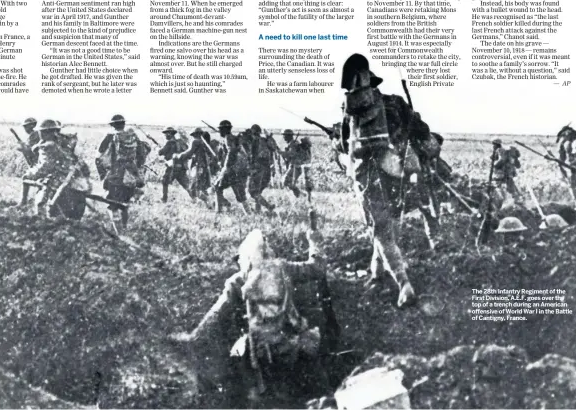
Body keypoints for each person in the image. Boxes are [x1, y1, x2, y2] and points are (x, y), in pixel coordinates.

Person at [169, 213, 340, 400]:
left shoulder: (237, 281)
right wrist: (314, 242)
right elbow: (317, 268)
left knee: (240, 375)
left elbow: (216, 315)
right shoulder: (283, 268)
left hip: (256, 352)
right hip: (292, 346)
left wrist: (193, 338)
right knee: (319, 379)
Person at [340, 53, 442, 308]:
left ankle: (403, 284)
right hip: (396, 171)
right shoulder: (396, 103)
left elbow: (344, 143)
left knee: (381, 230)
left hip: (369, 173)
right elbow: (423, 131)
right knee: (390, 224)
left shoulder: (351, 110)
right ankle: (376, 273)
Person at [23, 119, 86, 217]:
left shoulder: (47, 147)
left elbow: (45, 167)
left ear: (43, 132)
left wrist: (29, 174)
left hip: (58, 182)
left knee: (40, 204)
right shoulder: (66, 142)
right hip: (76, 181)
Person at [97, 114, 146, 231]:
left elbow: (98, 157)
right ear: (123, 124)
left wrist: (102, 174)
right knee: (124, 204)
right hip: (131, 174)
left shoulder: (109, 136)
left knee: (112, 205)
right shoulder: (133, 136)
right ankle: (124, 228)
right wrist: (137, 171)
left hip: (116, 175)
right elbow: (142, 155)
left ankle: (119, 233)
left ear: (112, 125)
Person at [214, 120, 251, 214]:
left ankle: (218, 212)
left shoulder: (228, 138)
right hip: (237, 169)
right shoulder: (234, 138)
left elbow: (231, 152)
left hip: (231, 169)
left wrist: (225, 168)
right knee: (240, 194)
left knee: (217, 187)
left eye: (221, 129)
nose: (220, 132)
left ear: (225, 129)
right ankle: (249, 213)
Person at [175, 127, 216, 208]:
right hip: (205, 167)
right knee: (203, 188)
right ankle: (209, 206)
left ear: (195, 134)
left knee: (194, 188)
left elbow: (189, 152)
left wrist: (178, 156)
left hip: (198, 167)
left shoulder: (195, 141)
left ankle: (211, 202)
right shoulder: (204, 143)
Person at [247, 124, 278, 213]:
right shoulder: (265, 140)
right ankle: (258, 210)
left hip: (258, 167)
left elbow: (251, 155)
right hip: (267, 167)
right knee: (258, 191)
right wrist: (269, 137)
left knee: (253, 191)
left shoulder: (254, 141)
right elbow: (274, 148)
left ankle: (268, 206)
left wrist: (250, 168)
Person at [158, 126, 193, 202]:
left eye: (166, 133)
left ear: (170, 133)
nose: (165, 135)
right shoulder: (181, 142)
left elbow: (161, 152)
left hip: (172, 167)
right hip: (182, 167)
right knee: (186, 184)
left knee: (164, 181)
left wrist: (158, 149)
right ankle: (195, 198)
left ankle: (164, 199)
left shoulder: (169, 142)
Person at [279, 129, 314, 199]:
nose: (284, 137)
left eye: (285, 136)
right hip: (295, 166)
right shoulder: (292, 143)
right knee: (287, 182)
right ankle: (301, 195)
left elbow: (291, 154)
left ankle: (301, 195)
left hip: (297, 166)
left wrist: (281, 152)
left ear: (289, 136)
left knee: (286, 181)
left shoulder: (293, 144)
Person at [491, 139, 523, 205]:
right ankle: (518, 198)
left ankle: (516, 199)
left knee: (505, 186)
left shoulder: (500, 150)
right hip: (508, 172)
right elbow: (494, 158)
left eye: (494, 144)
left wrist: (495, 166)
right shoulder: (503, 151)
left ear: (496, 144)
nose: (493, 146)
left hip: (504, 172)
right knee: (510, 186)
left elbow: (502, 160)